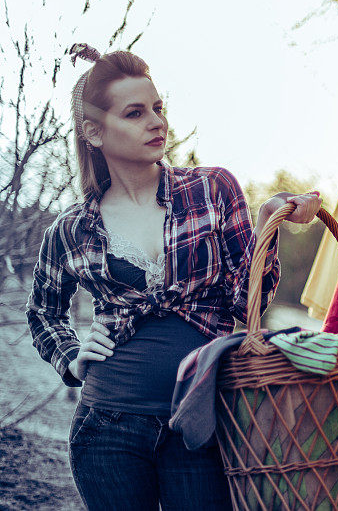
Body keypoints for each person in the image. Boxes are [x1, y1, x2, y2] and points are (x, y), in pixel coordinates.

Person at [25, 44, 322, 511]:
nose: (157, 122)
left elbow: (250, 298)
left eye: (159, 108)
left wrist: (267, 222)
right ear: (93, 131)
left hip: (201, 422)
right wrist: (72, 357)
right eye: (135, 112)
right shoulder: (72, 229)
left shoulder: (211, 189)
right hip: (107, 429)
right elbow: (43, 311)